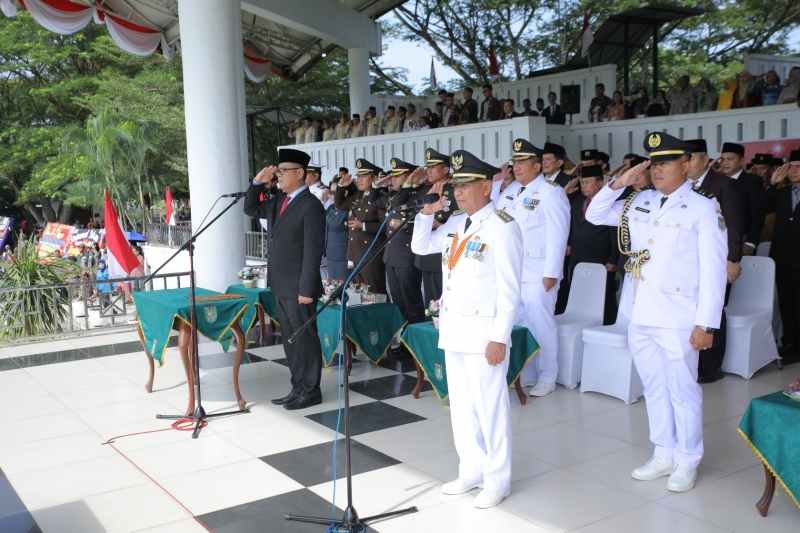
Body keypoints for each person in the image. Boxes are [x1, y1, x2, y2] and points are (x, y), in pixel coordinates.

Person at [586, 131, 727, 493]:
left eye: (666, 163)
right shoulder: (639, 202)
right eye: (653, 164)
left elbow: (713, 269)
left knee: (683, 389)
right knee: (654, 387)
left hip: (680, 315)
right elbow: (594, 213)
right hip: (640, 312)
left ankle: (687, 459)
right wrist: (620, 181)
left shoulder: (702, 207)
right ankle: (663, 453)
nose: (658, 170)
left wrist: (706, 323)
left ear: (686, 164)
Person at [411, 149, 522, 509]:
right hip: (455, 329)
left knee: (490, 407)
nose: (458, 193)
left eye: (467, 185)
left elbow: (509, 288)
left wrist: (499, 337)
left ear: (487, 186)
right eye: (456, 186)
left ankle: (497, 479)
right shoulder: (456, 224)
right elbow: (421, 245)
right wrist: (426, 214)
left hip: (484, 333)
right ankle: (471, 469)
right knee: (460, 406)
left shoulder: (503, 226)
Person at [245, 148, 325, 410]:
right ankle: (297, 386)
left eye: (283, 171)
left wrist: (307, 288)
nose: (278, 175)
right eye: (277, 171)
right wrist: (257, 182)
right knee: (290, 339)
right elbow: (251, 207)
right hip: (280, 283)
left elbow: (313, 251)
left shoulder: (310, 205)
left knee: (305, 338)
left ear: (300, 173)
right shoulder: (281, 200)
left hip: (300, 287)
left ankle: (311, 390)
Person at [493, 138, 570, 396]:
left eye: (523, 162)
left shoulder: (550, 192)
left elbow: (559, 234)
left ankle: (548, 375)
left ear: (538, 166)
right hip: (512, 271)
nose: (517, 166)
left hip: (538, 272)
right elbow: (495, 217)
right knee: (518, 324)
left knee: (541, 325)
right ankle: (526, 372)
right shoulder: (511, 191)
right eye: (515, 162)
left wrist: (552, 273)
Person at [686, 139, 746, 383]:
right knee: (695, 309)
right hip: (691, 260)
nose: (687, 164)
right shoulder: (683, 186)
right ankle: (694, 361)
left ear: (704, 159)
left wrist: (733, 259)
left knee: (713, 309)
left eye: (691, 158)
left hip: (717, 260)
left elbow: (734, 224)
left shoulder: (723, 184)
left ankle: (711, 368)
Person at [565, 164, 619, 324]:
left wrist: (613, 259)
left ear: (600, 182)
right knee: (579, 294)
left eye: (588, 182)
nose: (584, 186)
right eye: (582, 182)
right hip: (578, 255)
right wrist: (568, 243)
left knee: (603, 297)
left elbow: (614, 231)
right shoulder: (577, 200)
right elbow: (570, 224)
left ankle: (607, 324)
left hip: (601, 257)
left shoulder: (610, 201)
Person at [765, 152, 800, 364]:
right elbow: (762, 207)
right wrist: (773, 184)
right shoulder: (782, 192)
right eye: (791, 166)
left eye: (798, 166)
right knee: (787, 302)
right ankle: (790, 344)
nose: (793, 170)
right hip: (784, 257)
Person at [382, 158, 426, 325]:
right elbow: (394, 204)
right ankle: (402, 344)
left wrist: (408, 185)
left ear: (409, 177)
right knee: (398, 304)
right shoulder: (397, 195)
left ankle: (414, 345)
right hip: (391, 256)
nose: (393, 179)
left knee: (411, 304)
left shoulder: (419, 193)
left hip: (407, 257)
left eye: (398, 176)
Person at [334, 158, 388, 294]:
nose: (359, 179)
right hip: (355, 253)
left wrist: (363, 225)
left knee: (375, 293)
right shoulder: (358, 195)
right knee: (359, 295)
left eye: (364, 176)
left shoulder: (380, 197)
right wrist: (341, 187)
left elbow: (385, 226)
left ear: (374, 178)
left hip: (370, 254)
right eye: (358, 176)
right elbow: (340, 205)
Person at [414, 149, 459, 304]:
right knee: (430, 304)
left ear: (446, 169)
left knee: (442, 303)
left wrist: (439, 223)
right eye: (428, 167)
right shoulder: (428, 190)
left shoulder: (455, 191)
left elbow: (461, 220)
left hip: (444, 254)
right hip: (427, 252)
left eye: (433, 167)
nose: (429, 171)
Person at [719, 142, 766, 256]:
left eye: (730, 159)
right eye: (722, 159)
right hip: (719, 239)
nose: (725, 163)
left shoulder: (752, 181)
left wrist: (751, 242)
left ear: (741, 160)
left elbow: (757, 214)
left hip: (742, 240)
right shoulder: (717, 181)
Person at [324, 176, 350, 282]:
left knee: (343, 285)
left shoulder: (348, 209)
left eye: (336, 192)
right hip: (330, 254)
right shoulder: (330, 208)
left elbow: (337, 224)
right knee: (332, 286)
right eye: (331, 192)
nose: (333, 195)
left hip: (342, 255)